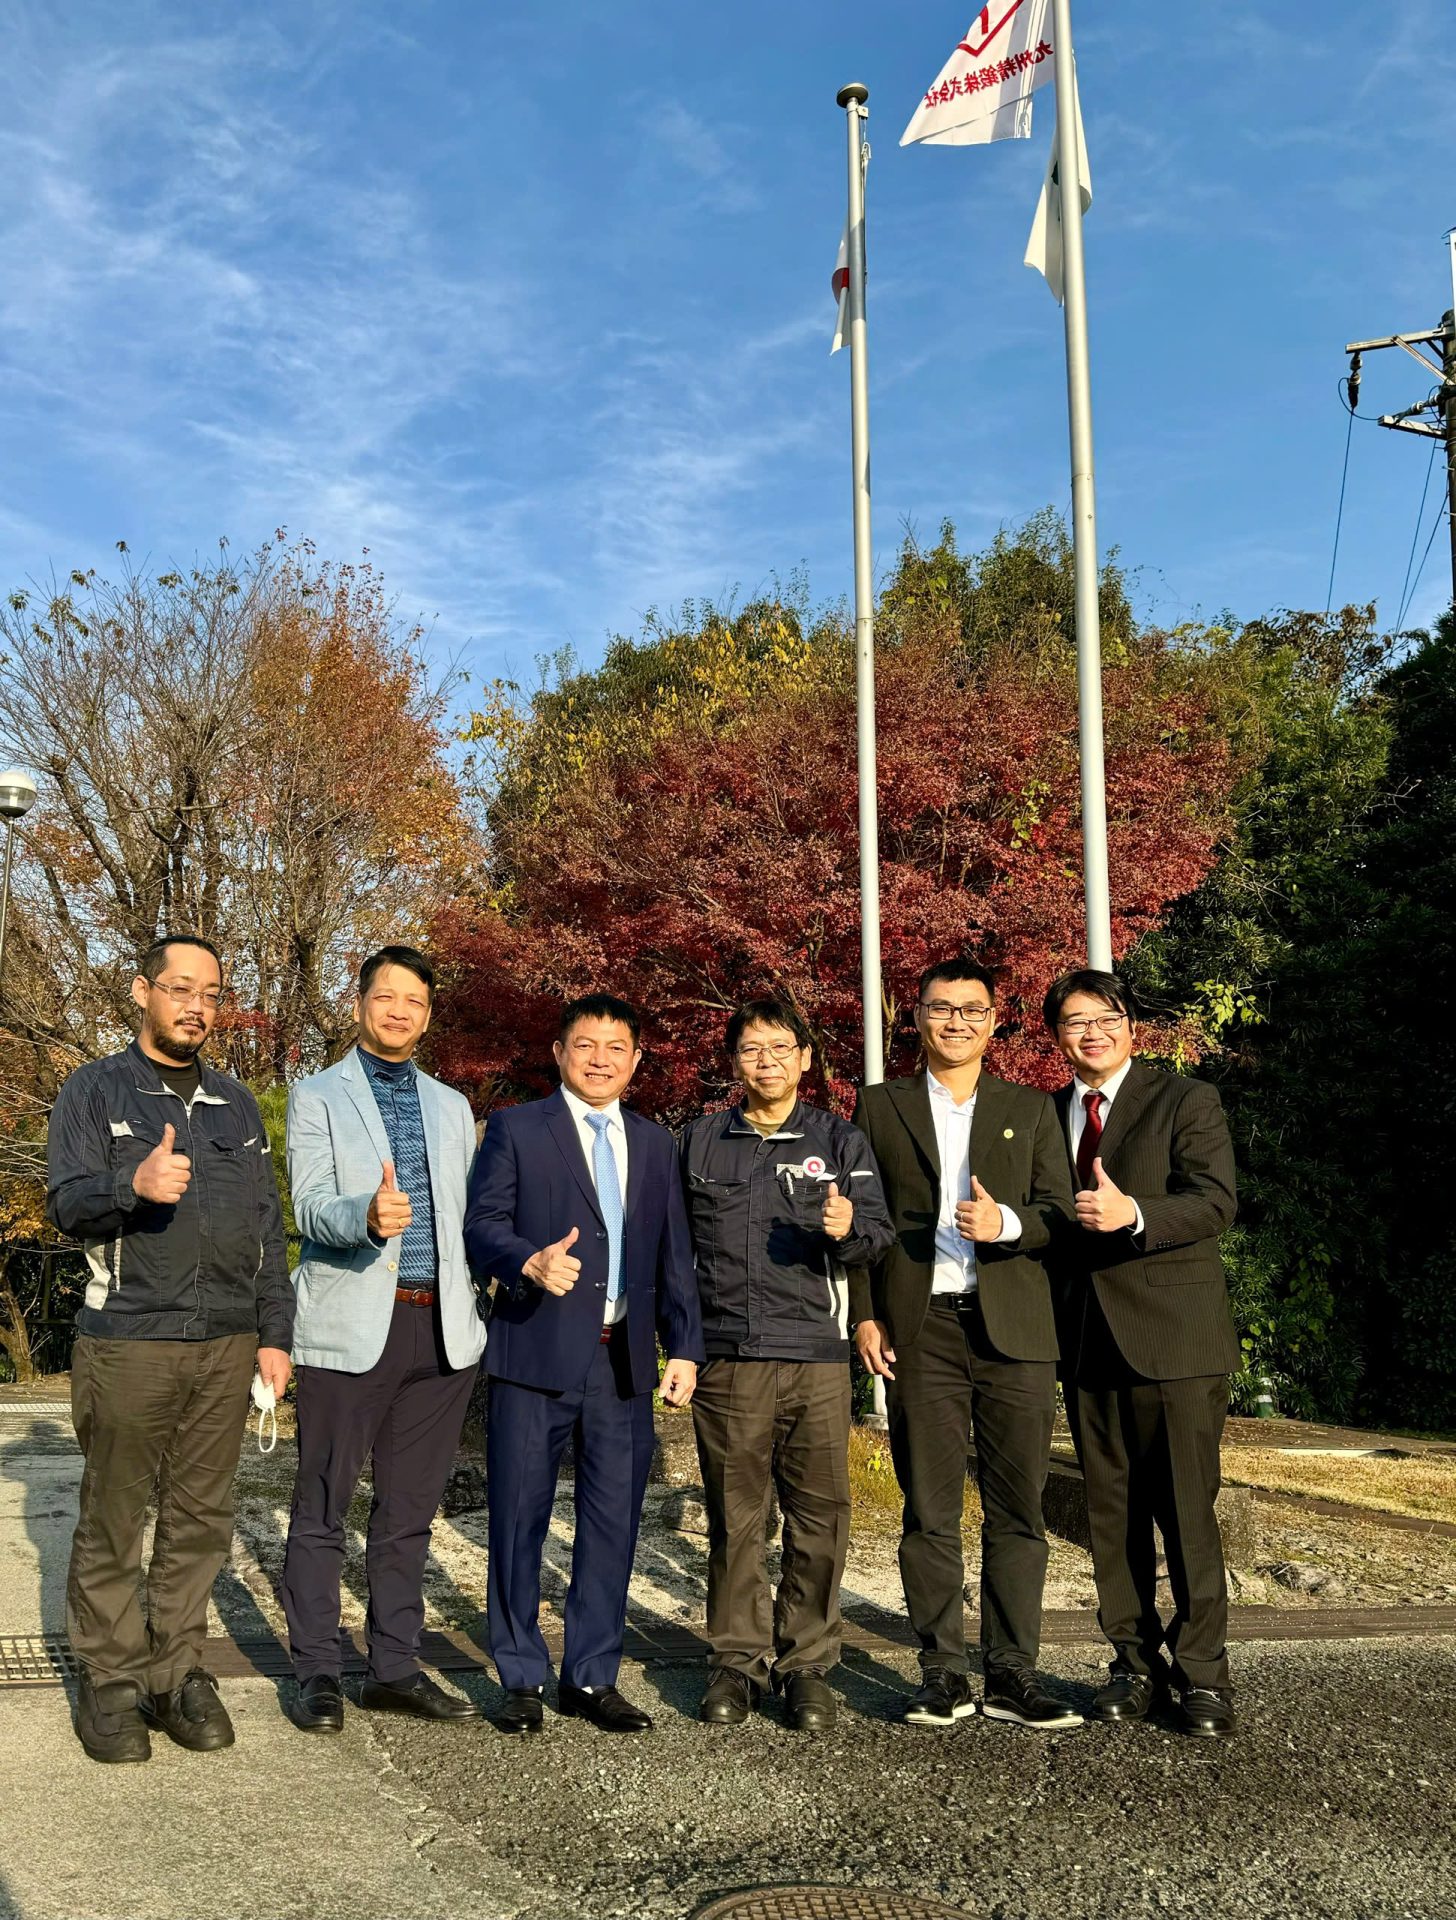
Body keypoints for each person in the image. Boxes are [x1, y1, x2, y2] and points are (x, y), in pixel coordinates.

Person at [46, 935, 293, 1764]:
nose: (197, 1006)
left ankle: (176, 1671)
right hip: (129, 1340)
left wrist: (274, 1335)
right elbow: (65, 1203)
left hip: (226, 1346)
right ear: (142, 991)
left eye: (212, 994)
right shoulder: (95, 1089)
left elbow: (267, 1230)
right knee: (114, 1518)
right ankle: (111, 1679)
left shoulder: (236, 1105)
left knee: (199, 1521)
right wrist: (132, 1186)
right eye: (181, 989)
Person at [464, 993, 704, 1736]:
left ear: (636, 1059)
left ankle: (592, 1676)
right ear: (560, 1052)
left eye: (616, 1047)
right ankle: (520, 1676)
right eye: (586, 1045)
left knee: (612, 1524)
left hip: (622, 1362)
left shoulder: (656, 1143)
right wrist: (526, 1261)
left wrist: (684, 1346)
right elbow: (481, 1226)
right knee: (518, 1519)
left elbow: (675, 1256)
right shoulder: (516, 1128)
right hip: (533, 1353)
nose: (600, 1059)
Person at [852, 959, 1080, 1730]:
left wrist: (1006, 1223)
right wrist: (865, 1314)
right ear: (916, 1016)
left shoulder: (1031, 1108)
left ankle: (1013, 1671)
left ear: (994, 1020)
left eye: (972, 1009)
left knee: (1018, 1508)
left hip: (1015, 1328)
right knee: (930, 1506)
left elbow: (1060, 1214)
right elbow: (862, 1218)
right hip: (922, 1327)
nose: (956, 1021)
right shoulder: (880, 1106)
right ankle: (943, 1669)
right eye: (941, 1008)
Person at [279, 946, 486, 1734]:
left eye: (415, 1001)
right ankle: (317, 1670)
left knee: (408, 1513)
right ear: (361, 1002)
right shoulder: (317, 1095)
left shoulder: (452, 1105)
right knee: (322, 1506)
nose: (400, 1011)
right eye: (386, 996)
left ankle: (394, 1666)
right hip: (350, 1327)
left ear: (427, 1015)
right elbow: (309, 1206)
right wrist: (365, 1215)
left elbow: (469, 1217)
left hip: (442, 1331)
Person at [680, 998, 894, 1732]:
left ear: (804, 1058)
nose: (765, 1060)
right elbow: (674, 1251)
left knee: (819, 1516)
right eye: (751, 1048)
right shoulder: (700, 1141)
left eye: (780, 1047)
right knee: (735, 1518)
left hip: (818, 1359)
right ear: (733, 1061)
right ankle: (735, 1662)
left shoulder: (840, 1140)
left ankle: (807, 1665)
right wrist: (682, 1347)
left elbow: (878, 1235)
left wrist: (849, 1227)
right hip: (729, 1360)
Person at [1044, 968, 1240, 1738]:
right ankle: (1132, 1663)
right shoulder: (1044, 1113)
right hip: (1085, 1338)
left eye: (1106, 1018)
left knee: (1186, 1511)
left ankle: (1203, 1675)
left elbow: (1215, 1200)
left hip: (1175, 1336)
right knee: (1110, 1514)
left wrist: (1135, 1214)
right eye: (1075, 1021)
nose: (1092, 1032)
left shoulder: (1184, 1099)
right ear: (1057, 1036)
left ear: (1131, 1026)